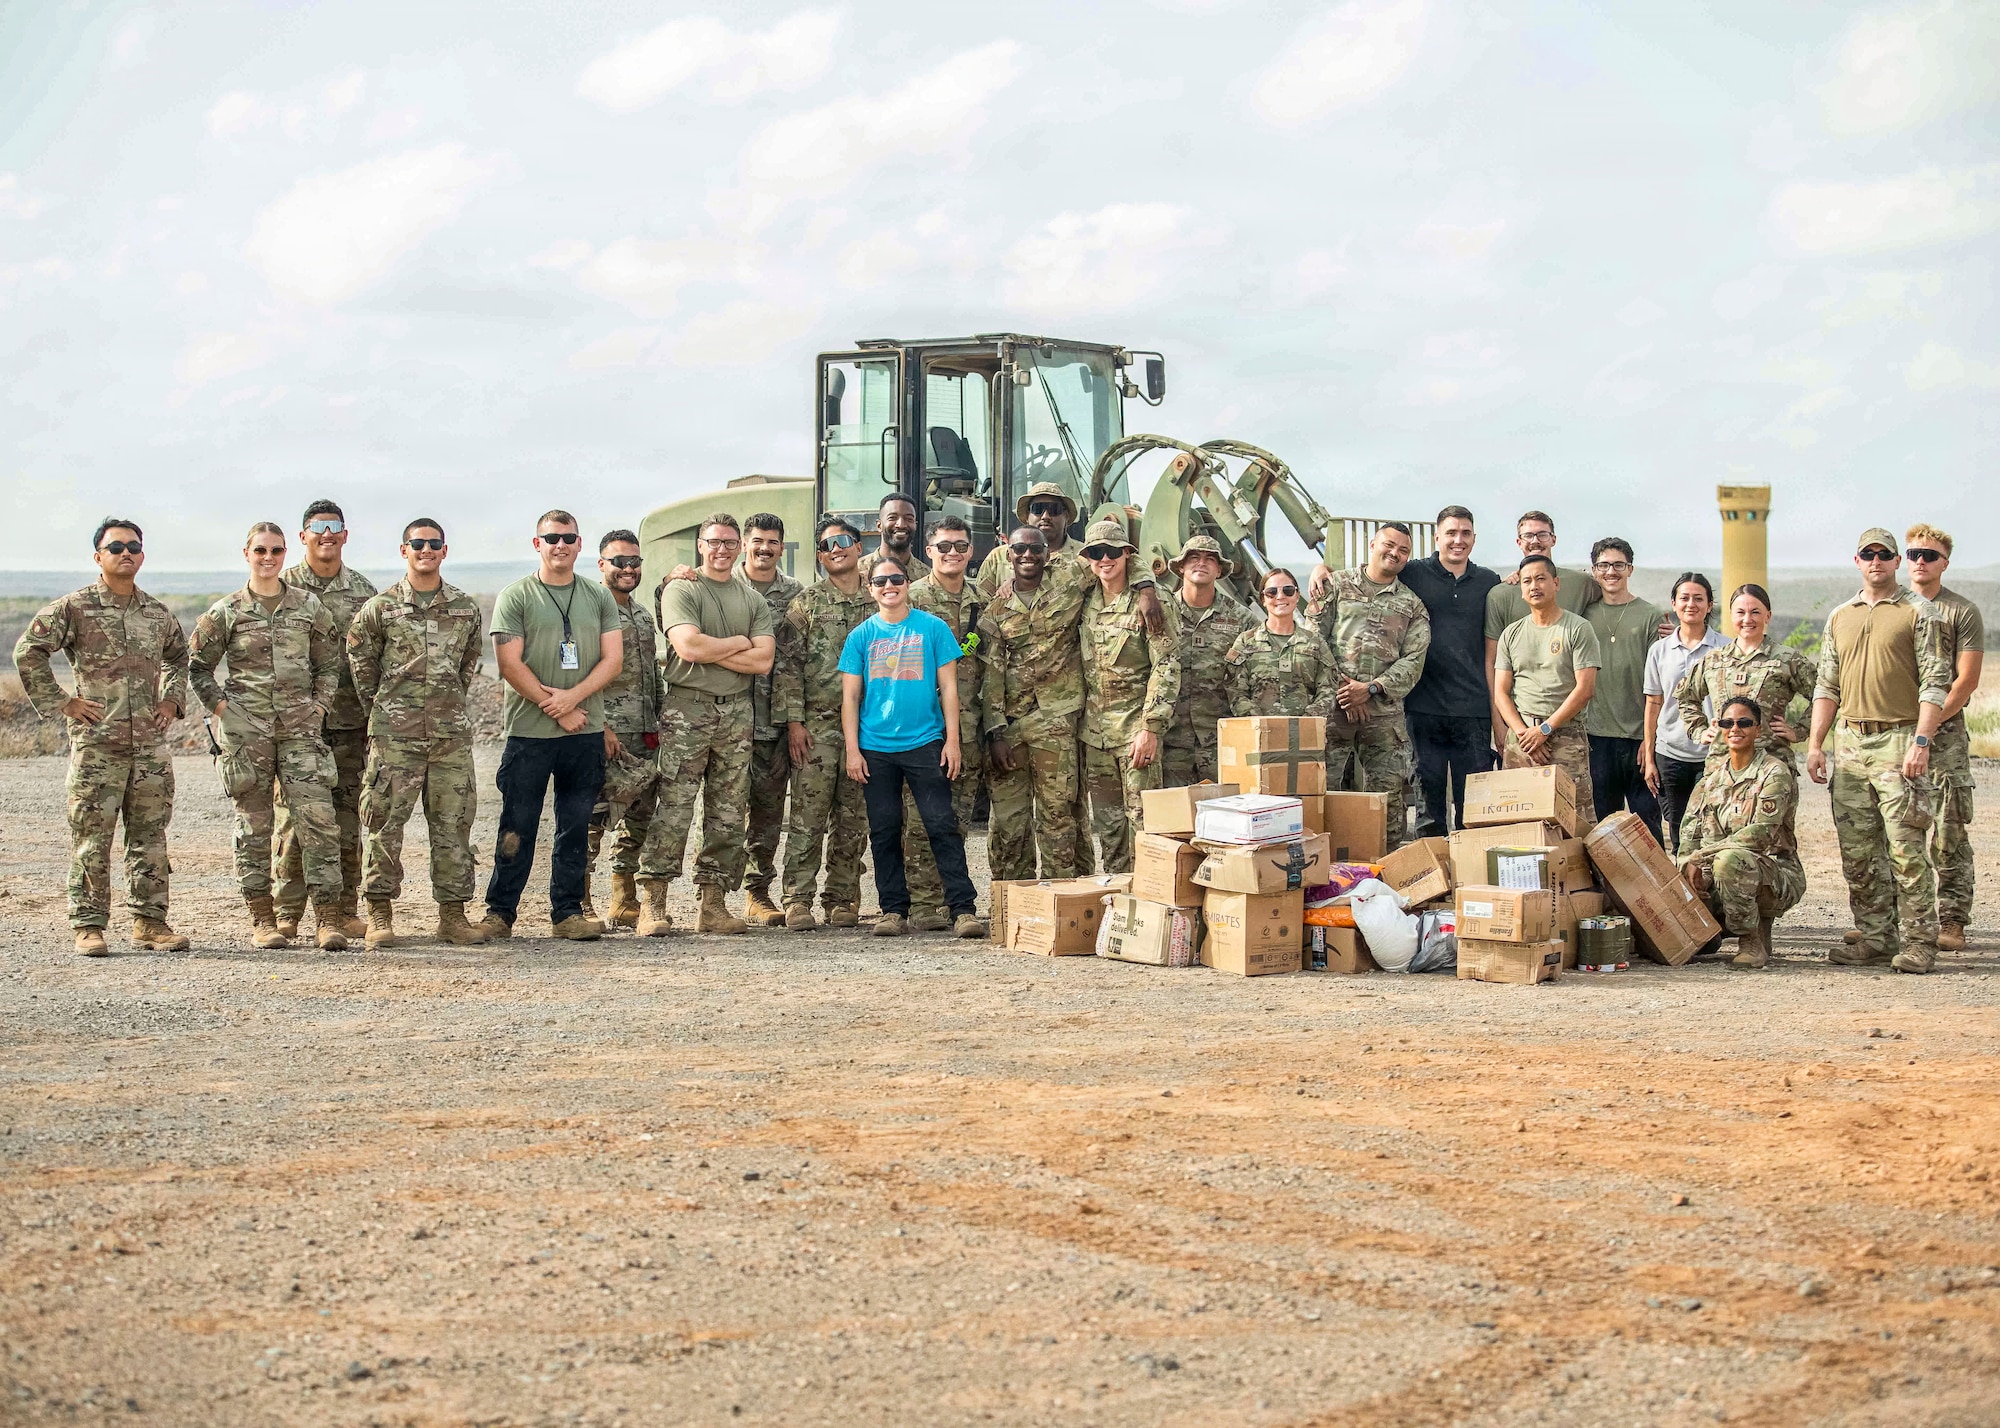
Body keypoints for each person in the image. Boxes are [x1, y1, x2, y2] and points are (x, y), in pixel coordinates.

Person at [13, 518, 191, 956]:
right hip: (98, 745)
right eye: (115, 547)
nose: (125, 553)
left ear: (143, 556)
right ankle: (89, 926)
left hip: (149, 746)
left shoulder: (156, 613)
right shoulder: (75, 609)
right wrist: (63, 702)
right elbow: (27, 651)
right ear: (99, 557)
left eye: (133, 546)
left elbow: (179, 658)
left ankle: (150, 923)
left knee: (150, 836)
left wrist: (170, 702)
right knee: (93, 837)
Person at [188, 522, 348, 950]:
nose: (269, 557)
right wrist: (224, 710)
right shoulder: (227, 611)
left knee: (319, 824)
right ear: (247, 553)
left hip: (300, 731)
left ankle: (328, 920)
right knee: (252, 828)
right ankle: (263, 920)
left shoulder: (308, 607)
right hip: (248, 734)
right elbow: (197, 668)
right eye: (261, 550)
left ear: (284, 554)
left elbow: (329, 664)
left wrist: (318, 707)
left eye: (276, 550)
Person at [1805, 529, 1952, 973]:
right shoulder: (1839, 616)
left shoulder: (1919, 612)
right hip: (1849, 742)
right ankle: (1875, 935)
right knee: (1858, 849)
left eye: (1884, 555)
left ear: (1895, 562)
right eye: (1867, 554)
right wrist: (1815, 745)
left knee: (1906, 848)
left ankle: (1921, 943)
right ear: (1857, 560)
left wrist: (1922, 741)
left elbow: (1935, 682)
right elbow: (1826, 684)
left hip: (1900, 739)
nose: (1876, 561)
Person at [344, 518, 488, 948]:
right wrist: (388, 709)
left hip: (449, 738)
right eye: (417, 544)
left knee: (453, 827)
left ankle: (452, 915)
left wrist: (444, 706)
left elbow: (467, 665)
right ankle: (380, 915)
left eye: (434, 544)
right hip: (395, 738)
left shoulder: (464, 608)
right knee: (384, 827)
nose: (426, 550)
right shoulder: (381, 608)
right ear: (403, 550)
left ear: (445, 551)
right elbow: (361, 665)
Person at [482, 510, 624, 942]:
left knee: (575, 826)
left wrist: (573, 700)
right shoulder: (517, 596)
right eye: (551, 538)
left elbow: (612, 660)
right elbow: (509, 664)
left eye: (568, 538)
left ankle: (566, 912)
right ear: (537, 544)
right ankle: (500, 913)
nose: (560, 545)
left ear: (580, 545)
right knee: (516, 826)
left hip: (583, 734)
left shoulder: (597, 598)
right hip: (530, 733)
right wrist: (557, 706)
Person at [633, 514, 774, 937]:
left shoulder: (753, 601)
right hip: (686, 710)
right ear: (700, 545)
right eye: (714, 542)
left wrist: (712, 651)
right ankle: (652, 903)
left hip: (736, 712)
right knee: (674, 806)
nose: (722, 550)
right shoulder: (682, 588)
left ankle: (713, 904)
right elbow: (687, 645)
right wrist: (737, 644)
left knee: (728, 812)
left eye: (730, 542)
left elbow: (763, 661)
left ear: (739, 547)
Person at [839, 557, 984, 939]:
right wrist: (853, 750)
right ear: (870, 589)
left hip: (925, 742)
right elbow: (851, 697)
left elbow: (950, 689)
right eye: (881, 581)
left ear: (907, 583)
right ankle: (892, 910)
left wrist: (952, 741)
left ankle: (962, 909)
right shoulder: (861, 637)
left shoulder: (932, 629)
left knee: (941, 825)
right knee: (884, 830)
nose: (890, 585)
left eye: (897, 579)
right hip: (876, 748)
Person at [274, 499, 378, 941]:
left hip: (351, 721)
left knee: (349, 818)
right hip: (298, 725)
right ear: (303, 537)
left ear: (345, 535)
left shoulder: (362, 590)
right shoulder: (283, 586)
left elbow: (375, 653)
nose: (327, 534)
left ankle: (343, 908)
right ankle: (287, 911)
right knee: (295, 820)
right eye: (318, 527)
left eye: (335, 526)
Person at [774, 516, 876, 930]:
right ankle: (797, 899)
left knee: (854, 818)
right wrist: (794, 722)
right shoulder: (807, 603)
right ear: (819, 556)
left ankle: (841, 898)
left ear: (858, 548)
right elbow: (788, 666)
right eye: (827, 545)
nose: (836, 549)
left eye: (843, 541)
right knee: (808, 816)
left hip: (867, 727)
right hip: (816, 727)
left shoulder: (878, 602)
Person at [1303, 523, 1431, 848]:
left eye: (1403, 550)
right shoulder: (1334, 585)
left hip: (1384, 716)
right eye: (1389, 545)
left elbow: (1413, 660)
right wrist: (1347, 691)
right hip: (1333, 710)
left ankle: (1389, 868)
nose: (1395, 553)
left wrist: (1371, 689)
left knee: (1387, 797)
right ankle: (1322, 868)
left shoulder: (1411, 605)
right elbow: (1311, 640)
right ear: (1372, 544)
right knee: (1321, 790)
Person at [978, 527, 1085, 880]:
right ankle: (1012, 902)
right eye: (1019, 548)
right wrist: (995, 733)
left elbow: (1120, 561)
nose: (1028, 555)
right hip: (1010, 726)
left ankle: (1060, 899)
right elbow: (990, 672)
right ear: (1007, 555)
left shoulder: (1069, 589)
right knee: (1010, 823)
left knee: (1058, 817)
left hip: (1055, 721)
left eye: (1035, 549)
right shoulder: (994, 610)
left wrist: (1146, 589)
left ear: (1047, 554)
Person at [1077, 519, 1180, 872]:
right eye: (1095, 553)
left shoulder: (1150, 600)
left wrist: (1151, 728)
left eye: (1111, 552)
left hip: (1136, 731)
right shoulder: (1085, 595)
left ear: (1126, 554)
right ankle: (1120, 905)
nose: (1103, 560)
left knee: (1144, 825)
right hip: (1096, 735)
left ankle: (1149, 903)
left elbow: (1166, 665)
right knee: (1109, 830)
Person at [1675, 695, 1806, 970]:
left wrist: (1702, 857)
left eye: (1744, 722)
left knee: (1730, 861)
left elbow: (1760, 835)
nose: (1735, 729)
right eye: (1728, 722)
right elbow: (1688, 838)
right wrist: (1688, 867)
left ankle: (1752, 940)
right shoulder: (1710, 781)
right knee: (1674, 876)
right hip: (1716, 871)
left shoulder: (1773, 773)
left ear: (1759, 729)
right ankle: (1710, 934)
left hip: (1774, 872)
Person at [903, 518, 986, 931]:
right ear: (929, 550)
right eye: (944, 546)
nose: (952, 553)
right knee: (921, 817)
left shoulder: (984, 602)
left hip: (969, 727)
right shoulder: (910, 601)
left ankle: (955, 900)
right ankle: (923, 903)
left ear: (971, 552)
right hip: (921, 728)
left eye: (960, 546)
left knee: (957, 818)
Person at [1904, 522, 1984, 953]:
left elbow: (1966, 681)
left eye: (1929, 555)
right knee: (1895, 829)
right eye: (1914, 553)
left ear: (1944, 564)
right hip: (1897, 734)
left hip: (1944, 737)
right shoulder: (1895, 608)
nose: (1920, 561)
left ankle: (1952, 919)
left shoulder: (1962, 611)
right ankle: (1897, 919)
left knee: (1949, 829)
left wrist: (1926, 730)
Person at [1399, 506, 1501, 837]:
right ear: (1437, 536)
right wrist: (1320, 569)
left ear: (1473, 538)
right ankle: (1432, 885)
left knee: (1473, 807)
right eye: (1451, 533)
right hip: (1423, 705)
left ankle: (1472, 882)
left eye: (1466, 533)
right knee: (1429, 806)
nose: (1458, 540)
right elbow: (1371, 575)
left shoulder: (1488, 581)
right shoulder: (1412, 573)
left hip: (1473, 709)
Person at [587, 529, 663, 929]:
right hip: (605, 733)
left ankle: (623, 898)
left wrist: (661, 720)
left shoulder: (642, 615)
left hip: (644, 733)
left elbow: (652, 673)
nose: (628, 569)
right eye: (619, 562)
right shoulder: (591, 610)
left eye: (634, 562)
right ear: (602, 565)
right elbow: (580, 673)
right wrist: (600, 725)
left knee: (639, 820)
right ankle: (579, 901)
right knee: (592, 820)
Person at [1674, 583, 1814, 796]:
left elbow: (1825, 695)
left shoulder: (1786, 659)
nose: (1747, 619)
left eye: (1755, 612)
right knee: (1718, 828)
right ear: (1731, 616)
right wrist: (1700, 730)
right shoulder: (1714, 660)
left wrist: (1799, 731)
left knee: (1771, 828)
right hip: (1723, 767)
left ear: (1768, 616)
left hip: (1771, 768)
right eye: (1740, 612)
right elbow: (1686, 697)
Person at [1482, 511, 1601, 750]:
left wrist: (1663, 626)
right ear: (1519, 542)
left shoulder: (1581, 584)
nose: (1535, 541)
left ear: (1553, 539)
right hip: (1521, 726)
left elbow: (1614, 599)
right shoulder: (1502, 594)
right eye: (1528, 535)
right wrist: (1505, 726)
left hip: (1567, 727)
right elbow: (1493, 665)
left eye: (1542, 535)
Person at [1492, 556, 1600, 817]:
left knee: (1573, 821)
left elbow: (1585, 689)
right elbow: (1501, 692)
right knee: (1518, 820)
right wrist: (1523, 733)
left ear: (1556, 583)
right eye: (1527, 580)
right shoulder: (1511, 633)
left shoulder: (1577, 628)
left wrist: (1545, 729)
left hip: (1564, 737)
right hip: (1521, 740)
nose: (1534, 586)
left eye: (1541, 579)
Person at [736, 513, 804, 927]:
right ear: (745, 544)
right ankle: (712, 894)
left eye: (772, 542)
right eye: (757, 541)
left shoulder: (794, 594)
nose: (764, 548)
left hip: (771, 720)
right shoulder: (719, 584)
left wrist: (793, 719)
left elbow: (795, 661)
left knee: (766, 812)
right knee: (721, 811)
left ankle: (756, 892)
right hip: (725, 715)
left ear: (782, 547)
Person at [1582, 537, 1665, 837]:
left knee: (1647, 826)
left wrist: (1650, 738)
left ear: (1630, 569)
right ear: (1593, 571)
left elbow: (1661, 684)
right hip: (1596, 737)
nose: (1611, 572)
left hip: (1638, 738)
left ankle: (1656, 885)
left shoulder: (1651, 616)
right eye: (1603, 565)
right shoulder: (1583, 616)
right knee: (1603, 829)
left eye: (1618, 565)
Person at [1160, 534, 1256, 787]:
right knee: (1173, 818)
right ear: (1181, 566)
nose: (1201, 563)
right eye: (1193, 558)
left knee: (1223, 817)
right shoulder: (1160, 612)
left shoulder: (1241, 619)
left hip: (1220, 741)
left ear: (1219, 570)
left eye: (1209, 559)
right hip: (1170, 741)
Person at [1644, 573, 1725, 852]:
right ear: (1674, 604)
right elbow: (1654, 703)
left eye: (1699, 598)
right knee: (1678, 831)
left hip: (1715, 755)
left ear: (1710, 605)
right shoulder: (1659, 651)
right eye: (1685, 598)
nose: (1691, 604)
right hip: (1672, 754)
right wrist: (1651, 755)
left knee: (1715, 828)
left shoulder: (1725, 649)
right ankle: (1686, 894)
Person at [1227, 566, 1337, 716]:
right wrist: (1258, 721)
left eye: (1288, 590)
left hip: (1306, 734)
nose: (1280, 596)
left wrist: (1306, 722)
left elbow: (1328, 689)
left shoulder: (1315, 643)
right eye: (1272, 592)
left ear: (1297, 596)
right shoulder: (1246, 642)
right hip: (1259, 734)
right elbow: (1236, 691)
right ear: (1263, 600)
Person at [875, 492, 931, 584]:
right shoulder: (858, 573)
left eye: (909, 519)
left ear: (915, 525)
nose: (901, 525)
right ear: (879, 525)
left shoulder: (927, 578)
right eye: (892, 518)